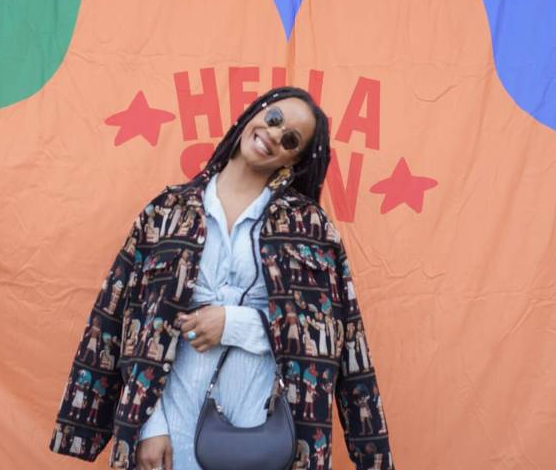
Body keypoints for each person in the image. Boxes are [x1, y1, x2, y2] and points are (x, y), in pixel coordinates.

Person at [49, 86, 394, 470]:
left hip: (263, 435)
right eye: (274, 118)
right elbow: (126, 320)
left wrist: (234, 324)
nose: (274, 135)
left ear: (294, 160)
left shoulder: (310, 227)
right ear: (254, 114)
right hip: (170, 426)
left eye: (290, 139)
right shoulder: (167, 212)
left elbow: (331, 335)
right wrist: (149, 424)